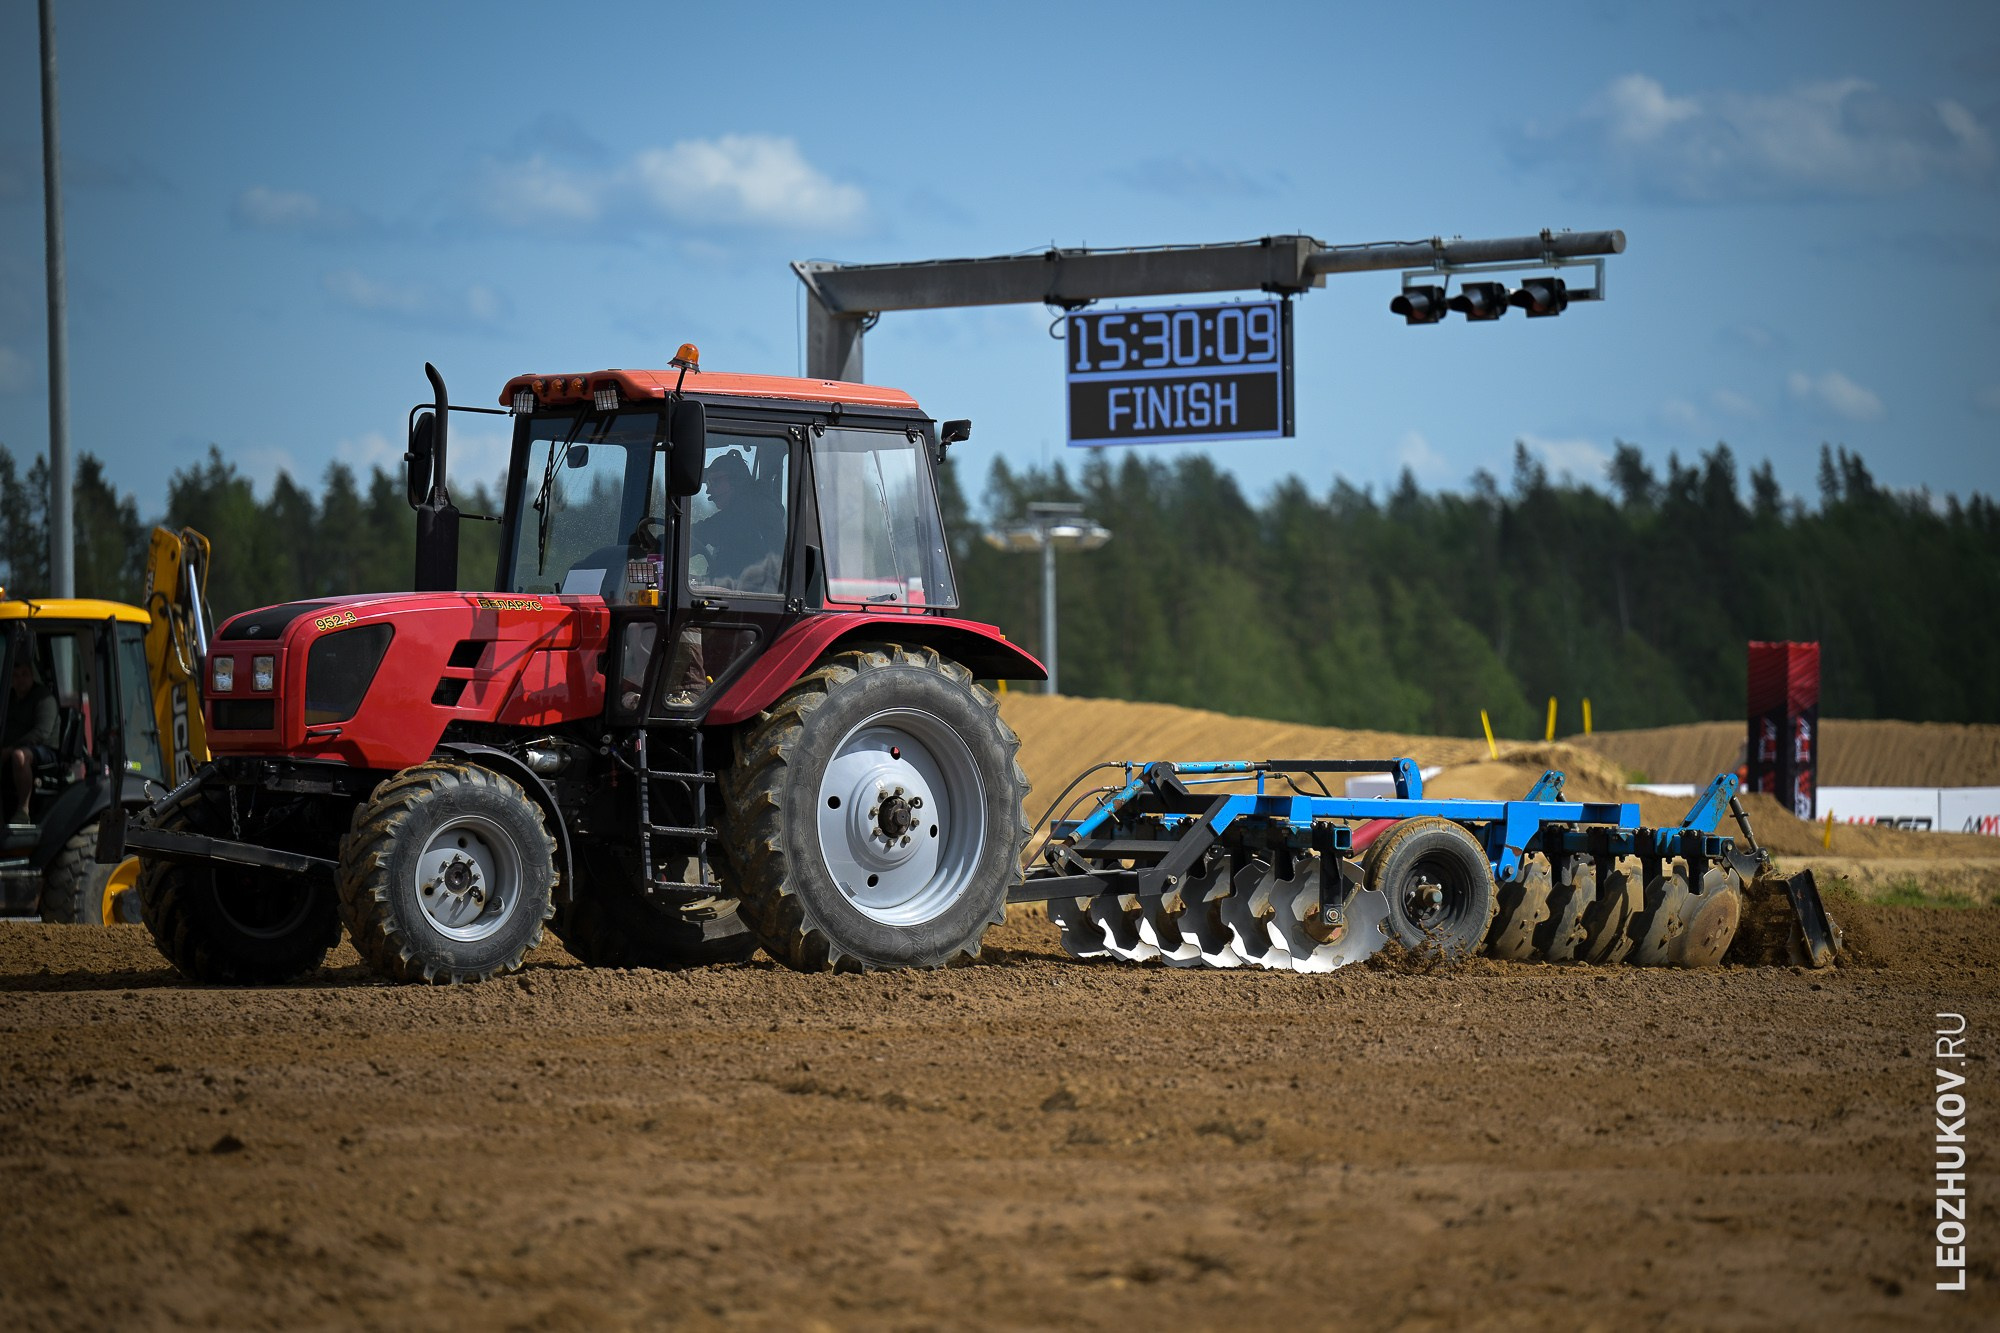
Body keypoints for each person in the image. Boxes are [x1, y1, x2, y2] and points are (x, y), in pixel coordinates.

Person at [691, 452, 784, 593]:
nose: (708, 490)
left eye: (714, 482)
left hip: (753, 599)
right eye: (707, 483)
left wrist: (660, 544)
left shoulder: (750, 511)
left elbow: (703, 532)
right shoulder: (754, 507)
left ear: (736, 481)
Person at [3, 637, 58, 826]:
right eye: (16, 675)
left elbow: (41, 733)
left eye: (24, 674)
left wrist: (10, 749)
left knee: (19, 756)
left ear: (31, 675)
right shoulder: (8, 698)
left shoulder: (44, 698)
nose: (20, 680)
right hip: (11, 747)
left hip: (44, 750)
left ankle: (23, 810)